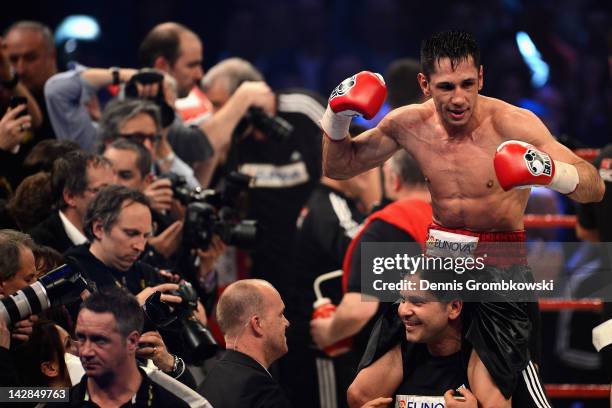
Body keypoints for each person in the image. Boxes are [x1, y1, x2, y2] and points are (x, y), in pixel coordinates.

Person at [320, 30, 605, 406]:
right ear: (425, 84)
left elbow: (594, 186)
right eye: (446, 86)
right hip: (440, 263)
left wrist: (550, 171)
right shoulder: (408, 124)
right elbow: (339, 167)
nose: (458, 98)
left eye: (468, 84)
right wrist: (335, 117)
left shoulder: (513, 124)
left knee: (492, 402)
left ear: (482, 78)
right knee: (361, 393)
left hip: (500, 267)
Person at [201, 57, 325, 296]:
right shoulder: (227, 136)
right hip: (265, 256)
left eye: (219, 105)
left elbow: (353, 157)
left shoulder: (301, 108)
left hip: (314, 246)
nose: (215, 115)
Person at [349, 270, 551, 408]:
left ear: (454, 307)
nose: (403, 310)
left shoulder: (504, 361)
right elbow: (358, 398)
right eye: (402, 299)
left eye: (417, 302)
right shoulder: (398, 355)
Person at [287, 125, 378, 408]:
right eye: (364, 158)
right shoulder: (331, 207)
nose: (370, 167)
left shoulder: (331, 203)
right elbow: (377, 258)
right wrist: (377, 199)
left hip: (335, 338)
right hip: (326, 344)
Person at [310, 150, 431, 362]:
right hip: (451, 363)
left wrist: (328, 331)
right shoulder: (460, 222)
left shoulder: (387, 228)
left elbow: (358, 309)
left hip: (391, 362)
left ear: (394, 179)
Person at [44, 288, 211, 407]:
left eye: (99, 340)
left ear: (131, 342)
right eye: (81, 337)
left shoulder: (170, 404)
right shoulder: (56, 403)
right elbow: (19, 396)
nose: (85, 351)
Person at [198, 279, 291, 407]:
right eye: (280, 315)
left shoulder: (207, 385)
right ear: (257, 324)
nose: (286, 323)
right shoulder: (263, 393)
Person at [28, 151, 115, 253]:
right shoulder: (39, 246)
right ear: (70, 197)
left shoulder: (115, 231)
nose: (113, 198)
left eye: (113, 190)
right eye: (100, 191)